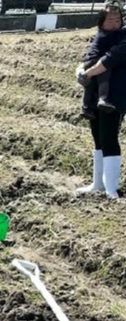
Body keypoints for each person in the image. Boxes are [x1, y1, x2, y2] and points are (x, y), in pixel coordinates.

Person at [77, 4, 126, 199]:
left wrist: (87, 74)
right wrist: (81, 69)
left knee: (109, 137)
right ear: (101, 22)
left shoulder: (124, 38)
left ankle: (111, 188)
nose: (114, 24)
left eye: (118, 20)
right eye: (110, 20)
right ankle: (98, 183)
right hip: (95, 92)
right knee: (97, 136)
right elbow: (91, 54)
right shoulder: (100, 36)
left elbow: (109, 59)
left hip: (115, 94)